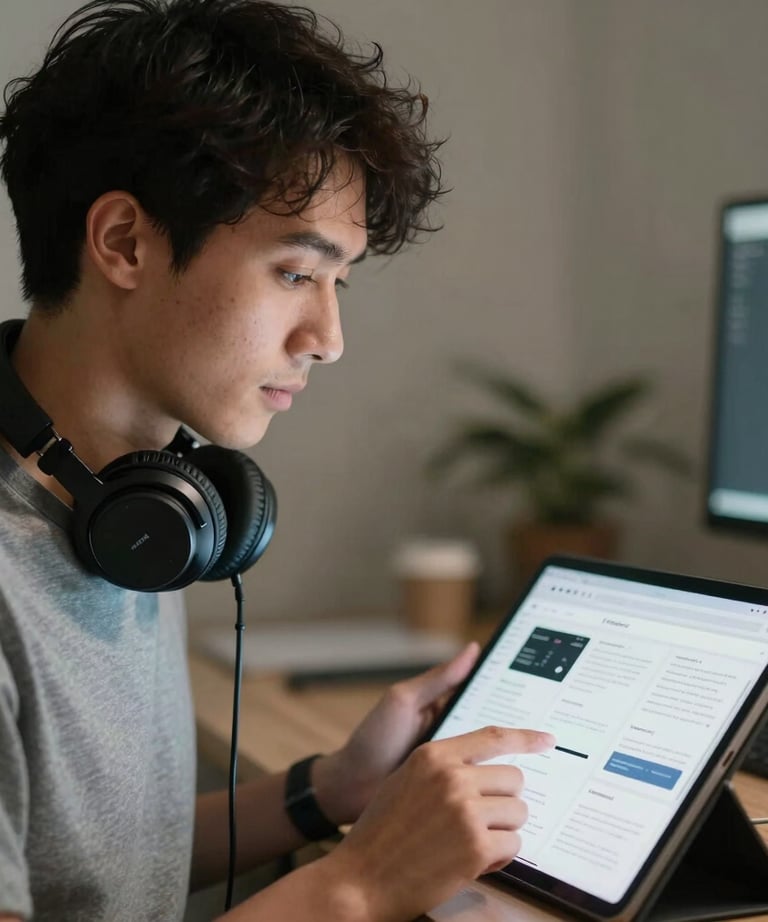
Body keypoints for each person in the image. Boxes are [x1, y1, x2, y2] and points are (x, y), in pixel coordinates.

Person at [0, 1, 554, 920]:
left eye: (339, 283)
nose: (329, 338)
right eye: (297, 272)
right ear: (125, 243)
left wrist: (332, 791)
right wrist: (359, 883)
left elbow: (91, 872)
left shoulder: (131, 511)